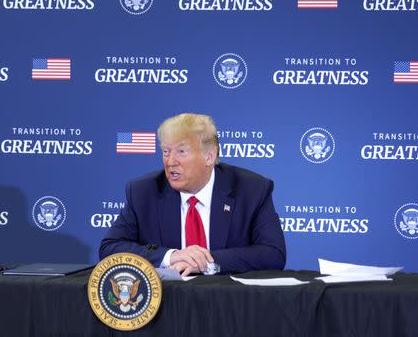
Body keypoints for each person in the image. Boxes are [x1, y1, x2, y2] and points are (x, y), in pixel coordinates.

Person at [99, 113, 286, 275]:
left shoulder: (251, 189)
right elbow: (110, 248)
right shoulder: (144, 192)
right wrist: (171, 256)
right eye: (166, 151)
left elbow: (273, 254)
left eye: (181, 151)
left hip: (228, 303)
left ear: (209, 156)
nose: (171, 161)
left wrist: (207, 261)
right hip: (168, 303)